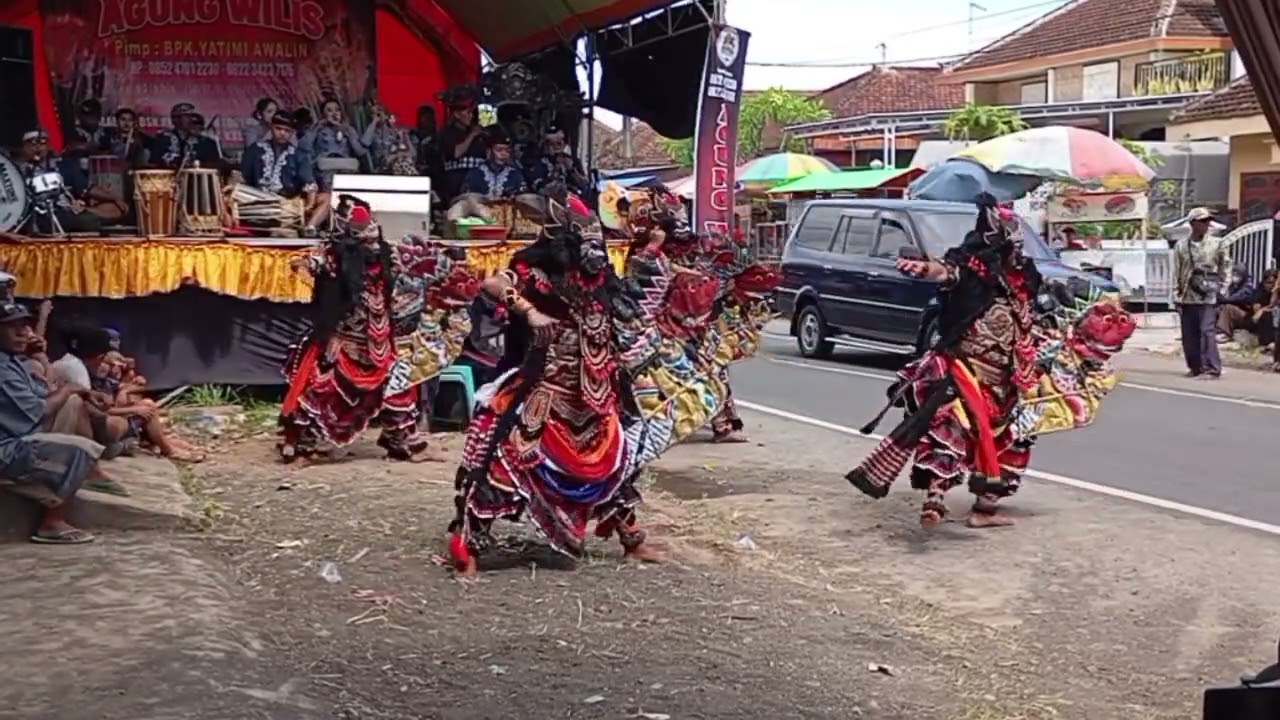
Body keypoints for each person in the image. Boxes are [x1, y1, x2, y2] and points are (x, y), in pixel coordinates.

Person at [447, 203, 661, 575]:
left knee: (615, 465)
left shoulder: (599, 279)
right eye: (586, 241)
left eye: (598, 241)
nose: (595, 251)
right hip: (545, 391)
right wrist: (529, 311)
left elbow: (623, 314)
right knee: (504, 459)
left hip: (595, 391)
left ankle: (633, 539)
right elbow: (494, 283)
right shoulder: (536, 271)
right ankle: (472, 544)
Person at [846, 196, 1043, 529]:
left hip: (1008, 378)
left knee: (1011, 438)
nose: (1016, 243)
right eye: (1010, 235)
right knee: (948, 431)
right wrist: (923, 268)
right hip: (965, 368)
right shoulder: (972, 269)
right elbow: (947, 273)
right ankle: (935, 500)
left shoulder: (1022, 279)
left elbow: (1033, 315)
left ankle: (984, 509)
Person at [277, 197, 396, 462]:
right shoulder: (336, 253)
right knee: (320, 386)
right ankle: (299, 440)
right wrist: (307, 265)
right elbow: (316, 262)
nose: (371, 234)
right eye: (363, 229)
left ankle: (401, 438)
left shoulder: (388, 254)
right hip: (342, 337)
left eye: (372, 226)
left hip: (379, 337)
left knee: (396, 385)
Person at [0, 302, 128, 544]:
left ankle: (90, 471)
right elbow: (40, 409)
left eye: (24, 326)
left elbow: (44, 391)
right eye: (11, 328)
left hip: (17, 429)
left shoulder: (13, 360)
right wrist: (71, 387)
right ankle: (51, 523)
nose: (23, 333)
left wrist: (39, 358)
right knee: (79, 450)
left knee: (73, 405)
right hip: (6, 446)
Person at [239, 110, 325, 228]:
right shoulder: (255, 149)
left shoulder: (298, 155)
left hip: (286, 203)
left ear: (292, 133)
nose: (282, 133)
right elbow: (242, 178)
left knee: (326, 198)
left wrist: (308, 207)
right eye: (278, 128)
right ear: (271, 128)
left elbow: (309, 184)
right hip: (256, 200)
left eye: (287, 130)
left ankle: (309, 228)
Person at [13, 129, 110, 234]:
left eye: (42, 143)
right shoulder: (16, 171)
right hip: (31, 215)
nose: (37, 147)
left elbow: (79, 190)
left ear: (48, 146)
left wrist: (75, 203)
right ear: (24, 147)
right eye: (32, 144)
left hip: (61, 211)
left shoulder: (62, 166)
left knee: (91, 220)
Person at [1173, 207, 1230, 379]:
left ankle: (1212, 368)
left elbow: (1225, 267)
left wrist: (1223, 288)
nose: (1206, 225)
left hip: (1208, 294)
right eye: (1202, 221)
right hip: (1188, 293)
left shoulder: (1217, 244)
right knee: (1189, 334)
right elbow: (1177, 271)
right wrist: (1175, 294)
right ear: (1192, 223)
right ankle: (1195, 367)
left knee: (1207, 331)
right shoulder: (1182, 245)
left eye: (1207, 221)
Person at [300, 98, 368, 192]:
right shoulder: (319, 130)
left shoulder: (348, 129)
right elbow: (304, 146)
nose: (334, 113)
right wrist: (316, 128)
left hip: (345, 166)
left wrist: (348, 134)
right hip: (325, 168)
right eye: (329, 110)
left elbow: (360, 152)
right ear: (323, 115)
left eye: (337, 110)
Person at [437, 86, 486, 203]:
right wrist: (472, 136)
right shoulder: (448, 133)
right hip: (457, 182)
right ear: (457, 114)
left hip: (478, 182)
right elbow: (456, 153)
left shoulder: (478, 132)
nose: (471, 116)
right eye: (468, 112)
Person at [150, 102, 222, 170]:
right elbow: (156, 160)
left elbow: (215, 163)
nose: (192, 120)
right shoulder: (163, 138)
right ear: (174, 120)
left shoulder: (207, 142)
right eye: (187, 116)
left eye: (193, 117)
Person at [461, 126, 525, 199]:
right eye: (499, 149)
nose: (503, 154)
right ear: (488, 152)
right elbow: (465, 199)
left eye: (507, 151)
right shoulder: (475, 174)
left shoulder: (515, 175)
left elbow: (523, 199)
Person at [1218, 268, 1277, 346]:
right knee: (1229, 308)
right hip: (1251, 319)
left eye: (1273, 283)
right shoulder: (1259, 291)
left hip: (1267, 324)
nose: (1270, 286)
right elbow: (1252, 304)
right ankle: (1224, 334)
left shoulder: (1276, 294)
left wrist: (1262, 310)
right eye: (1268, 283)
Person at [527, 126, 589, 197]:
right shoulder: (539, 162)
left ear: (564, 144)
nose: (554, 147)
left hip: (571, 200)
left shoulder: (573, 161)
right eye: (549, 143)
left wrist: (571, 170)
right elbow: (538, 186)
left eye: (558, 143)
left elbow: (584, 186)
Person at [410, 104, 442, 182]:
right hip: (414, 170)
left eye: (427, 117)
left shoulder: (437, 137)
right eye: (422, 116)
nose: (424, 119)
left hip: (432, 173)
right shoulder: (413, 134)